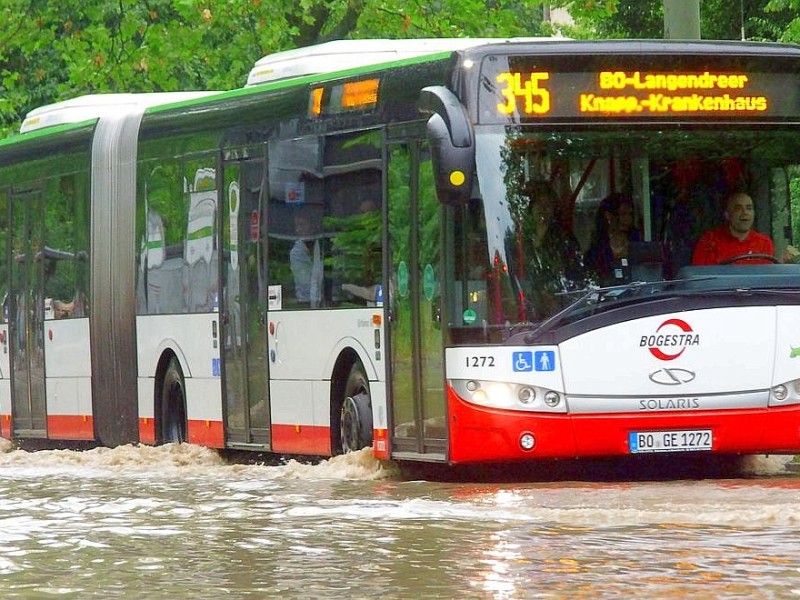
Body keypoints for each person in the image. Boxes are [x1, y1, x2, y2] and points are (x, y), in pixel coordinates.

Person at [516, 181, 590, 319]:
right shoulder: (518, 235)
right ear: (531, 208)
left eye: (548, 205)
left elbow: (575, 271)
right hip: (528, 293)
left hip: (560, 296)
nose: (543, 209)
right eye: (539, 204)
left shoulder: (564, 237)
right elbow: (518, 268)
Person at [691, 192, 798, 265]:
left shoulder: (764, 242)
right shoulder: (709, 241)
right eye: (738, 208)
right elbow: (699, 278)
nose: (745, 213)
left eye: (749, 208)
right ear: (727, 215)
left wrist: (783, 264)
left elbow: (766, 278)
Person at [586, 192, 642, 284]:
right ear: (608, 216)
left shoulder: (636, 240)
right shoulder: (598, 247)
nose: (628, 219)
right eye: (623, 214)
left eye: (630, 214)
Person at [289, 212, 323, 306]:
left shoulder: (322, 245)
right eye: (296, 226)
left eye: (302, 225)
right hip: (305, 302)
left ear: (313, 226)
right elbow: (305, 282)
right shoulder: (296, 253)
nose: (298, 229)